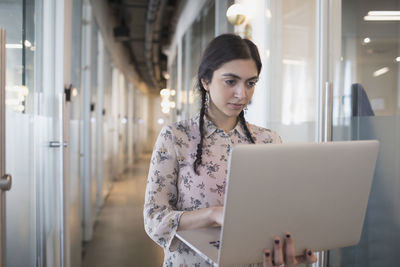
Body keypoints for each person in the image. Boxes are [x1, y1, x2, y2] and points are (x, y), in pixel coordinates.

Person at [143, 34, 317, 267]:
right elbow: (154, 218)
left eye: (250, 83)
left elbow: (278, 212)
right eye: (230, 81)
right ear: (205, 81)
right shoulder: (176, 137)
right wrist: (213, 214)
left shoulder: (268, 141)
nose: (242, 94)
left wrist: (286, 249)